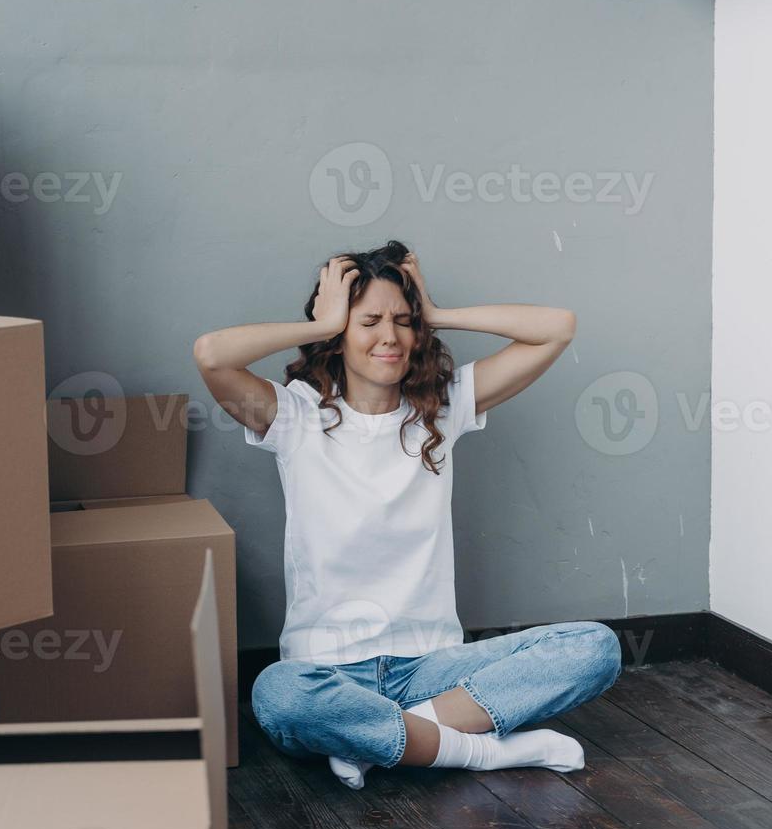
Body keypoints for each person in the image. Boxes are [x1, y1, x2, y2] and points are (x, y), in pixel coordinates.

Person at [192, 240, 621, 789]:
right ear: (338, 334)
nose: (389, 336)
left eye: (403, 320)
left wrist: (437, 311)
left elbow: (557, 326)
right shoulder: (295, 415)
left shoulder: (443, 407)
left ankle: (386, 739)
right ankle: (478, 753)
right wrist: (322, 321)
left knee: (594, 647)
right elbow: (211, 354)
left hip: (431, 668)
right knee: (276, 694)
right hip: (328, 670)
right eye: (368, 321)